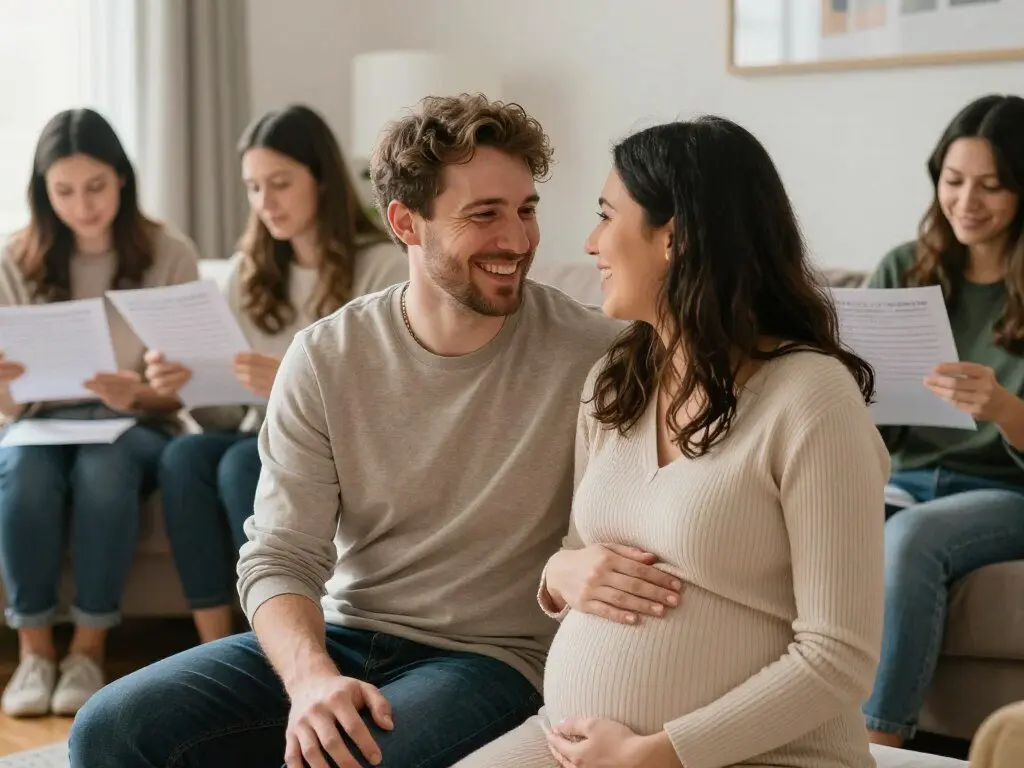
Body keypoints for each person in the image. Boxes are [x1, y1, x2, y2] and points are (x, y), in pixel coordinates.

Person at [68, 93, 622, 768]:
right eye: (485, 215)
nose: (518, 239)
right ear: (405, 222)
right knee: (107, 729)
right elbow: (279, 555)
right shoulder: (326, 356)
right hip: (345, 633)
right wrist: (311, 680)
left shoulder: (595, 352)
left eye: (525, 210)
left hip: (490, 659)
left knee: (338, 761)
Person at [455, 116, 890, 768]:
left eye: (607, 217)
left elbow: (840, 656)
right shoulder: (616, 382)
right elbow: (581, 552)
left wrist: (659, 753)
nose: (591, 243)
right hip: (572, 742)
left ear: (674, 238)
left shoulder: (811, 399)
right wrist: (557, 575)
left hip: (761, 758)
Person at [144, 105, 408, 644]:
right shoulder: (248, 273)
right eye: (254, 187)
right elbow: (224, 416)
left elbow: (393, 391)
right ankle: (212, 642)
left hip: (334, 442)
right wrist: (187, 383)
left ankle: (278, 640)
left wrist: (289, 384)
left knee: (243, 462)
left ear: (321, 179)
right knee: (184, 456)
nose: (266, 201)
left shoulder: (381, 265)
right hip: (251, 430)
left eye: (280, 183)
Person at [0, 108, 200, 717]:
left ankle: (88, 649)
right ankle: (35, 651)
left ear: (122, 179)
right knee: (24, 473)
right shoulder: (14, 259)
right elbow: (10, 406)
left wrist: (137, 392)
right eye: (64, 191)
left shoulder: (168, 252)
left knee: (102, 468)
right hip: (39, 422)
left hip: (137, 423)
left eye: (96, 187)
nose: (82, 206)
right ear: (43, 191)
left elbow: (184, 392)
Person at [862, 94, 1024, 748]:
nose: (966, 202)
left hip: (1004, 492)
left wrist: (1005, 410)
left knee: (912, 539)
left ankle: (880, 749)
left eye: (992, 186)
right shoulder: (905, 269)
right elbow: (868, 421)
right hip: (903, 479)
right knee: (789, 520)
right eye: (953, 181)